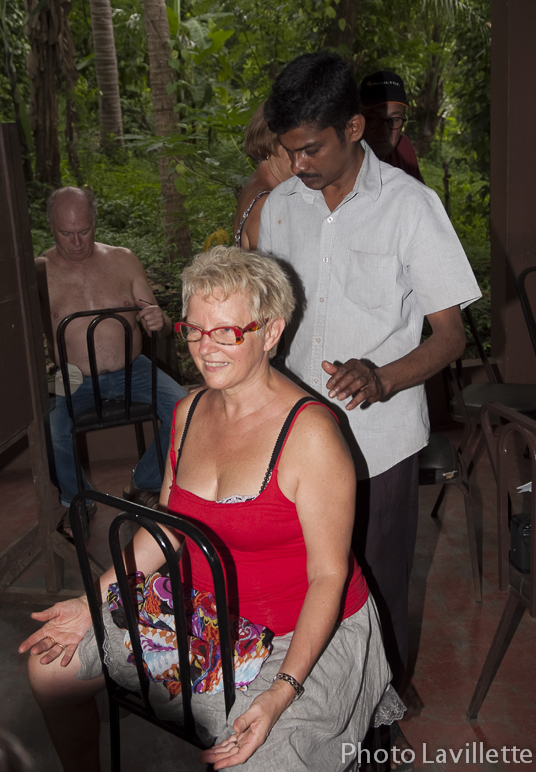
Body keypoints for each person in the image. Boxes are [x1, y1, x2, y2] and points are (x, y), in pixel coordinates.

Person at [19, 246, 403, 772]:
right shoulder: (188, 410)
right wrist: (94, 601)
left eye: (227, 332)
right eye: (195, 331)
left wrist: (281, 692)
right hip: (199, 611)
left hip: (295, 631)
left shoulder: (310, 434)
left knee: (253, 761)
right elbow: (167, 530)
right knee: (50, 670)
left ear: (271, 332)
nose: (206, 349)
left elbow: (328, 577)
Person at [258, 52, 481, 765]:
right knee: (306, 581)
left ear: (353, 128)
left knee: (376, 585)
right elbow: (270, 320)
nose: (297, 164)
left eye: (310, 148)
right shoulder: (280, 207)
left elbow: (450, 336)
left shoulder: (410, 207)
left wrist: (382, 378)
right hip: (297, 441)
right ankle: (312, 714)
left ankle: (378, 727)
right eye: (288, 149)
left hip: (378, 441)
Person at [36, 187, 186, 534]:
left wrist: (158, 320)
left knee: (186, 409)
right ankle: (79, 500)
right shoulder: (39, 273)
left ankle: (142, 481)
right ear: (51, 227)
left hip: (134, 367)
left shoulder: (123, 259)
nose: (76, 242)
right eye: (66, 233)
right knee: (49, 425)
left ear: (94, 222)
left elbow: (161, 323)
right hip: (71, 374)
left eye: (84, 231)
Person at [234, 103, 292, 250]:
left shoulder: (257, 185)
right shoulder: (266, 204)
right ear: (269, 144)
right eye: (291, 148)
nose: (302, 159)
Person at [360, 70, 425, 183]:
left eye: (395, 120)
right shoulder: (342, 162)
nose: (385, 131)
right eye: (375, 119)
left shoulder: (404, 147)